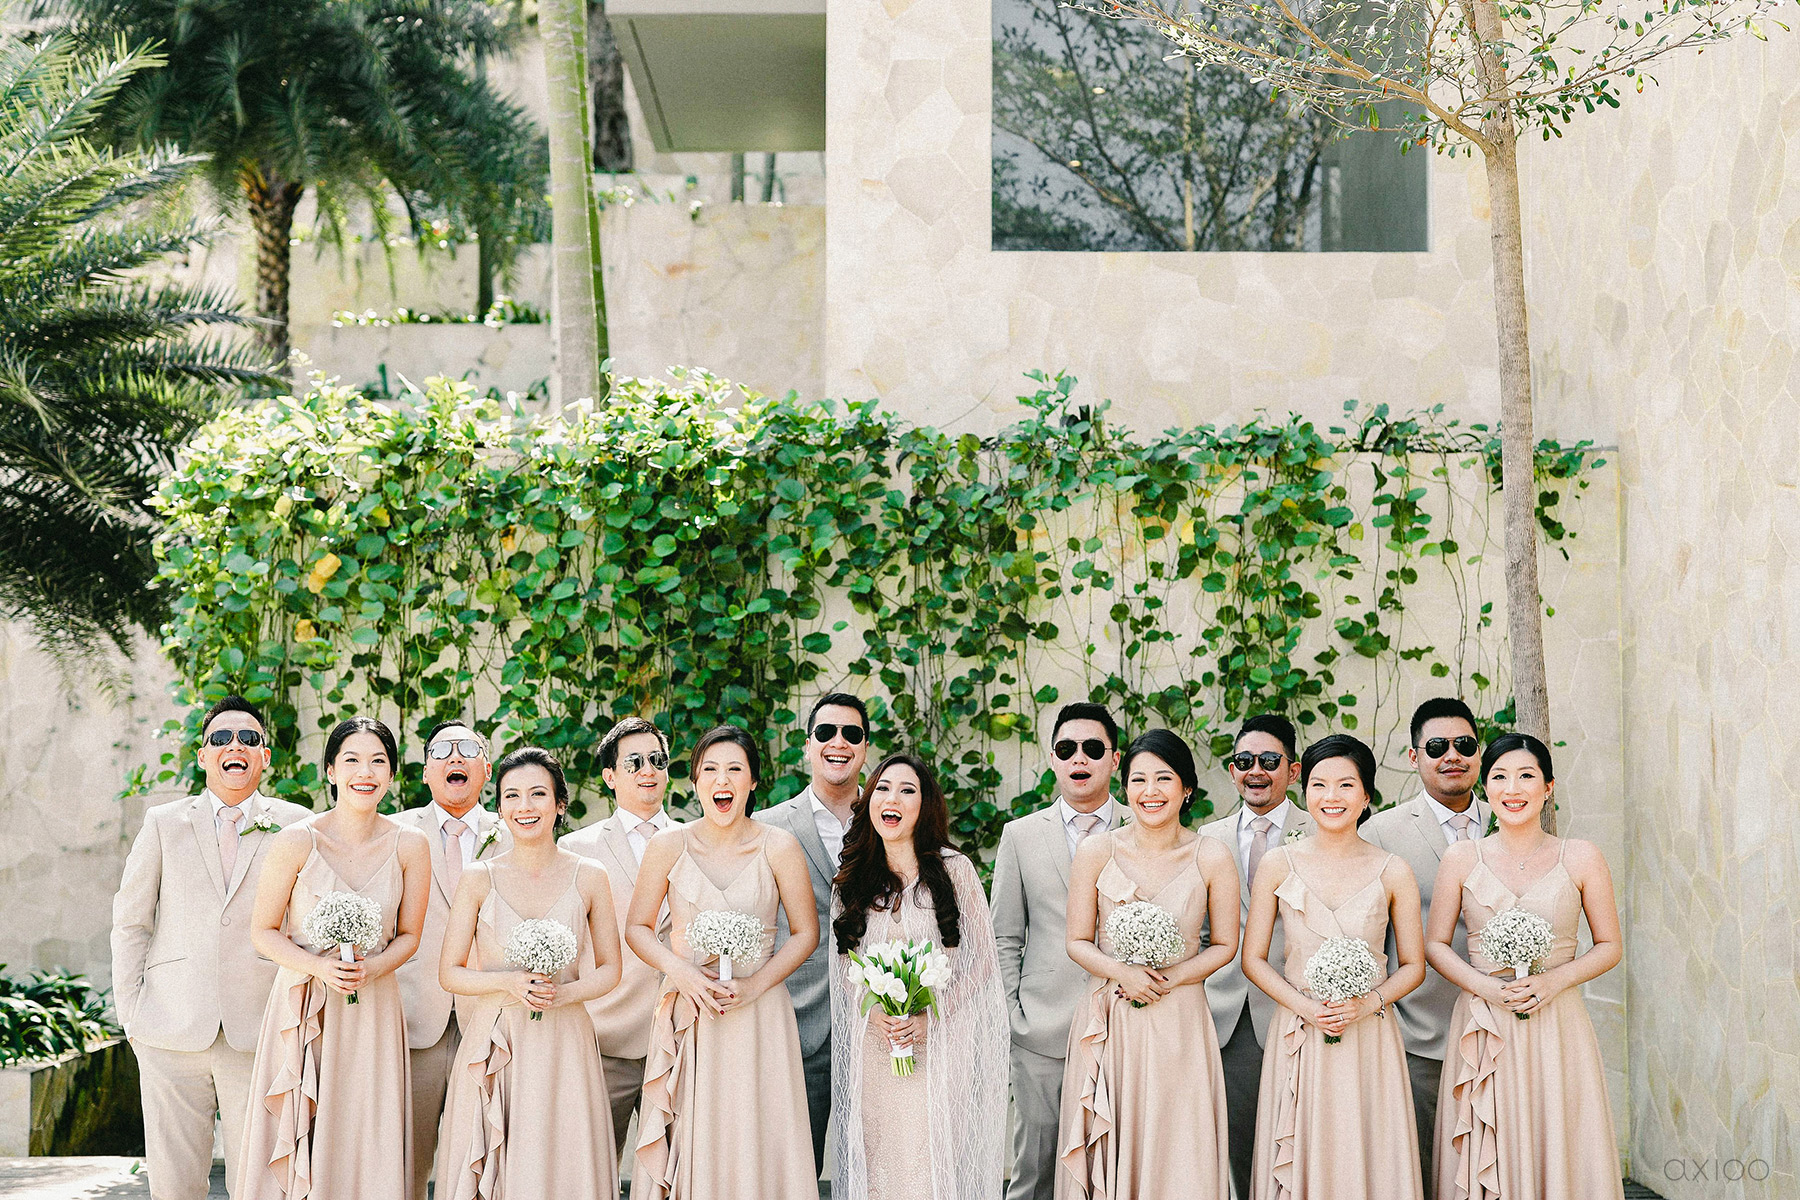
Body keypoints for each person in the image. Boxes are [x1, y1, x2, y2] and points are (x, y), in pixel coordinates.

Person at [110, 696, 313, 1200]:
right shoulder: (163, 823)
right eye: (221, 738)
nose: (234, 746)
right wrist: (131, 1016)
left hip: (261, 1032)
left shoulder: (297, 824)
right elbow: (131, 921)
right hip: (168, 1031)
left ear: (265, 756)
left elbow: (308, 925)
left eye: (248, 738)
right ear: (203, 755)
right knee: (174, 1184)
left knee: (260, 1184)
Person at [236, 716, 432, 1200]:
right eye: (352, 760)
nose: (365, 772)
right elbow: (263, 932)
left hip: (374, 1007)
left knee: (366, 1126)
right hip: (304, 1004)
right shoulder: (296, 840)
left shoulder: (411, 845)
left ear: (391, 774)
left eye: (378, 761)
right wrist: (319, 967)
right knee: (305, 1123)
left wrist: (372, 968)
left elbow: (410, 935)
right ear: (330, 770)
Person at [1425, 733, 1624, 1200]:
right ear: (1485, 787)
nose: (1512, 789)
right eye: (1499, 777)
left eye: (1526, 776)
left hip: (1557, 1022)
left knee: (1558, 1134)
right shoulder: (1461, 858)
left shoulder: (1581, 856)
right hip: (1483, 1022)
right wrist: (1486, 988)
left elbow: (1609, 945)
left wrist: (1554, 981)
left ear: (1548, 787)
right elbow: (1435, 944)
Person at [628, 724, 820, 1199]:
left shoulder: (779, 846)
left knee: (758, 1128)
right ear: (694, 780)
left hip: (760, 1015)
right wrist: (681, 973)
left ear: (753, 781)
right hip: (692, 1014)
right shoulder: (668, 846)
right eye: (710, 769)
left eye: (735, 769)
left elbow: (806, 934)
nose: (722, 780)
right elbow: (637, 928)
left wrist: (755, 986)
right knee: (698, 1128)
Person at [433, 747, 625, 1200]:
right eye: (512, 796)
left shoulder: (589, 875)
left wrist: (565, 994)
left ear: (560, 804)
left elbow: (611, 969)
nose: (525, 806)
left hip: (566, 1039)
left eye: (538, 794)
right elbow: (450, 972)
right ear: (500, 808)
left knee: (561, 1154)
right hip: (496, 1038)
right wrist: (508, 982)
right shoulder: (478, 877)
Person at [1056, 729, 1239, 1200]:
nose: (1150, 791)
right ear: (1125, 787)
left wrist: (1166, 980)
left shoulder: (1212, 855)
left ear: (1187, 788)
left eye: (1164, 778)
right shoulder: (1097, 851)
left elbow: (1225, 944)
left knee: (1179, 1141)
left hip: (1181, 1019)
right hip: (1112, 1017)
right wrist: (1124, 973)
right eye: (1138, 780)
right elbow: (1077, 940)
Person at [1244, 733, 1426, 1200]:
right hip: (1300, 1027)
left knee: (1365, 1148)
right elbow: (1253, 959)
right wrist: (1305, 1007)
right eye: (1320, 785)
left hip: (1368, 1032)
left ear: (1366, 796)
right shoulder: (1278, 863)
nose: (1331, 797)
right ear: (1304, 790)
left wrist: (1368, 1003)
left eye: (1346, 785)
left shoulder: (1393, 869)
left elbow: (1413, 966)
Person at [828, 753, 1007, 1200]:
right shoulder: (852, 879)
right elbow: (845, 964)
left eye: (907, 790)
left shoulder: (955, 870)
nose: (893, 798)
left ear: (924, 806)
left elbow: (981, 961)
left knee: (931, 1162)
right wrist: (873, 1011)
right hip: (876, 1047)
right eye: (883, 788)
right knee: (880, 1162)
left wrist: (933, 1015)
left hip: (940, 1047)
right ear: (870, 800)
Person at [992, 702, 1128, 1200]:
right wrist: (1015, 1017)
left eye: (1093, 748)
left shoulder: (1146, 825)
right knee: (1036, 1169)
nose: (1079, 758)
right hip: (1042, 1031)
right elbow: (1003, 936)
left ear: (1114, 759)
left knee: (1116, 1166)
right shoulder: (1020, 835)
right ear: (1053, 758)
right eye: (1067, 748)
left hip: (1125, 1024)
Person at [1363, 697, 1490, 1184]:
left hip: (1503, 1024)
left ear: (1479, 752)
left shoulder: (1510, 816)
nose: (1452, 755)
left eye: (1464, 745)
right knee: (1423, 1170)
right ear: (1415, 757)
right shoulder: (1381, 832)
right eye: (1437, 746)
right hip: (1421, 1033)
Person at [391, 720, 510, 1200]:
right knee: (405, 1163)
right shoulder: (396, 832)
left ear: (487, 769)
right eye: (442, 751)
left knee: (480, 1164)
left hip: (491, 1022)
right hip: (415, 1020)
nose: (455, 757)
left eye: (467, 749)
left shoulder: (516, 830)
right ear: (425, 771)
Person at [559, 716, 684, 1160]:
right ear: (610, 776)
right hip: (603, 1037)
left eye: (657, 760)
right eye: (634, 762)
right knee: (592, 1168)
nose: (648, 770)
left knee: (678, 1171)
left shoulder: (696, 840)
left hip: (680, 1034)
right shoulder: (576, 849)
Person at [1196, 713, 1310, 1200]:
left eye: (1268, 760)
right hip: (1229, 1013)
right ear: (1232, 770)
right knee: (1240, 1145)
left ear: (1293, 770)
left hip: (1304, 1006)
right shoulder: (1208, 837)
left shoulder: (1322, 825)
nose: (1255, 771)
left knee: (1304, 1142)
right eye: (1244, 761)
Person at [756, 691, 869, 1172]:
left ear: (865, 748)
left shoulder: (892, 819)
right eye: (826, 732)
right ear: (808, 745)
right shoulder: (767, 828)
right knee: (794, 1170)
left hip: (879, 1023)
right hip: (799, 1022)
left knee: (876, 1168)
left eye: (851, 734)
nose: (838, 742)